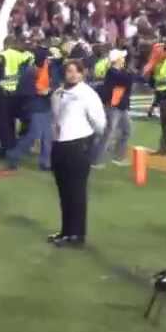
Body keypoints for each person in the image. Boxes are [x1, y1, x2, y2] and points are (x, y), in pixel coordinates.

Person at [48, 60, 106, 247]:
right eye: (68, 71)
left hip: (78, 146)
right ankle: (66, 231)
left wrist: (86, 140)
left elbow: (100, 123)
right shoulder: (57, 93)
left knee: (77, 192)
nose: (72, 75)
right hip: (59, 146)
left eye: (76, 71)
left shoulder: (87, 94)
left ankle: (77, 235)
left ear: (82, 74)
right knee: (64, 192)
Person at [94, 49, 135, 166]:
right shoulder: (113, 72)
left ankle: (118, 156)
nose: (124, 59)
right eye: (122, 58)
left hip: (121, 106)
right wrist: (130, 71)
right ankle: (97, 160)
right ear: (116, 60)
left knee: (127, 131)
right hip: (114, 107)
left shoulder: (119, 72)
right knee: (108, 133)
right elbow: (128, 80)